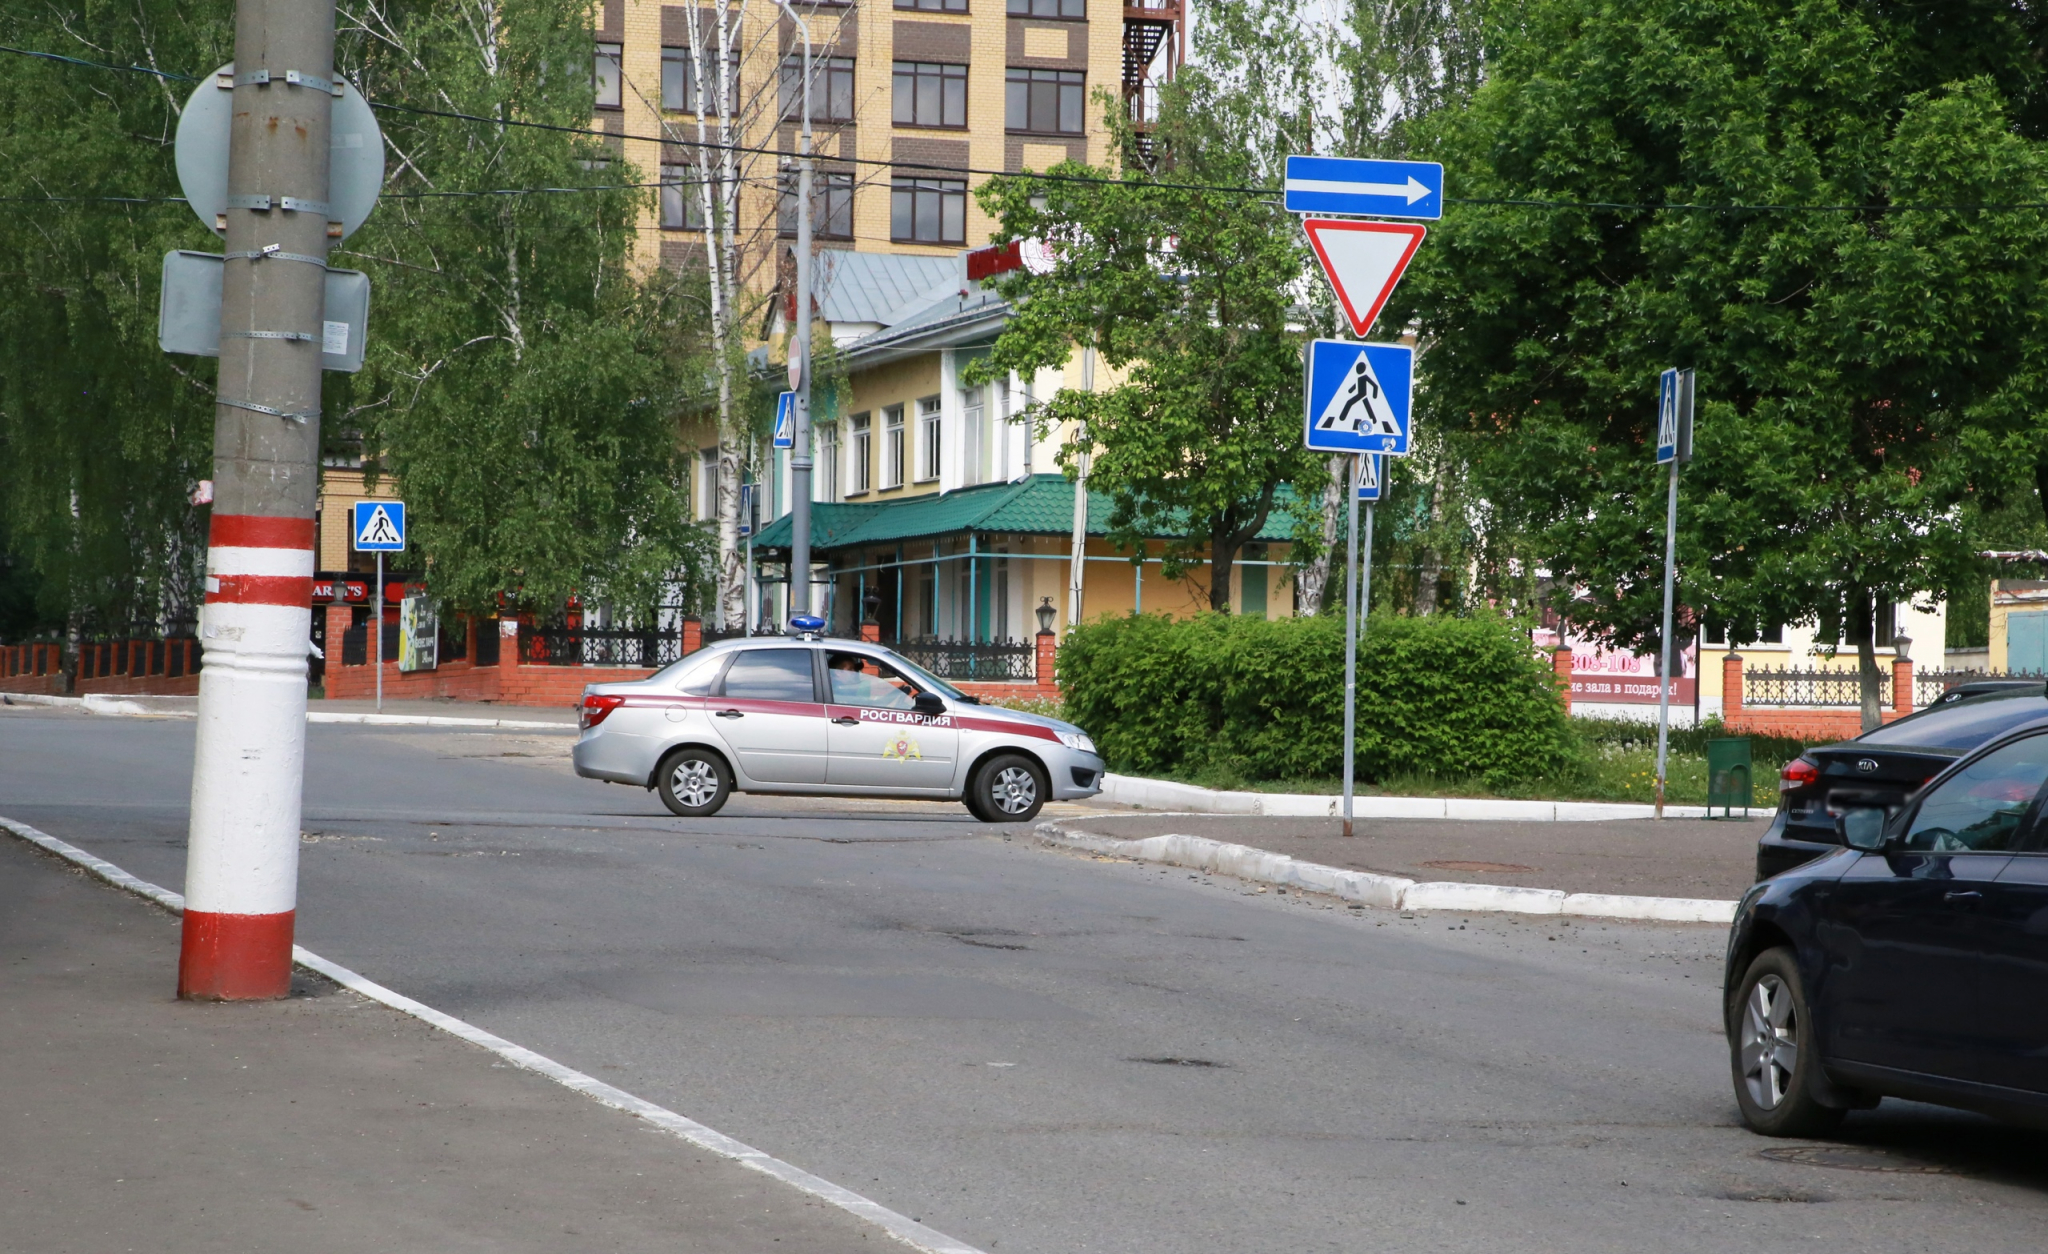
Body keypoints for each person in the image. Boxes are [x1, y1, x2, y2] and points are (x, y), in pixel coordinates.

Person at [826, 652, 916, 708]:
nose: (855, 673)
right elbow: (875, 704)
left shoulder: (840, 688)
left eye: (855, 669)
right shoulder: (838, 690)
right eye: (850, 669)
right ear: (837, 672)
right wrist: (898, 692)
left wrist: (898, 692)